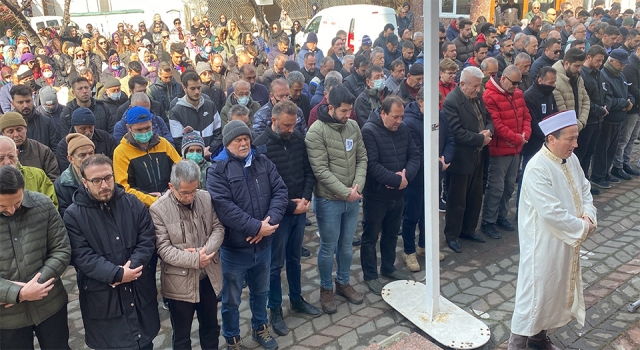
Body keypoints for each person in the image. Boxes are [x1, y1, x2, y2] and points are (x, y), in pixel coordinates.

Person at [508, 110, 597, 350]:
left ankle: (538, 340)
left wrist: (589, 214)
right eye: (570, 139)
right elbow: (551, 212)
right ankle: (516, 345)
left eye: (576, 138)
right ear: (551, 139)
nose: (575, 144)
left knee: (554, 290)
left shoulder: (571, 159)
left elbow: (585, 188)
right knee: (534, 294)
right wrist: (583, 227)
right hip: (543, 245)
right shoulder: (537, 168)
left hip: (566, 242)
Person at [63, 154, 161, 349]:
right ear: (84, 182)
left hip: (138, 290)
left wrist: (130, 269)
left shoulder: (133, 203)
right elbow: (81, 255)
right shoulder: (73, 215)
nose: (104, 184)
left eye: (108, 177)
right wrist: (115, 274)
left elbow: (147, 239)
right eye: (96, 180)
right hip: (104, 300)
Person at [207, 120, 288, 350]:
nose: (244, 143)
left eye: (246, 139)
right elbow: (224, 207)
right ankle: (232, 338)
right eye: (238, 140)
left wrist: (267, 224)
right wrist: (255, 227)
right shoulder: (217, 170)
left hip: (263, 246)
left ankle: (260, 328)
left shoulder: (262, 161)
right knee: (231, 300)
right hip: (235, 250)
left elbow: (280, 191)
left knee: (260, 292)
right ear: (227, 144)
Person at [253, 100, 320, 336]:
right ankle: (275, 309)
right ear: (273, 121)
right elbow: (262, 190)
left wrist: (306, 197)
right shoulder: (260, 146)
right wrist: (290, 208)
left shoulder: (298, 140)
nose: (291, 130)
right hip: (277, 218)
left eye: (293, 125)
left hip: (299, 211)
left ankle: (297, 299)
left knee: (294, 259)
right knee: (275, 265)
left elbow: (308, 171)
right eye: (286, 125)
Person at [305, 85, 367, 313]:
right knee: (328, 246)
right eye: (343, 111)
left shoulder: (352, 126)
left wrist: (356, 187)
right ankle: (325, 288)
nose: (347, 115)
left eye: (349, 110)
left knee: (347, 245)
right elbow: (320, 170)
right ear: (330, 107)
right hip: (328, 200)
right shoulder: (316, 131)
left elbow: (362, 157)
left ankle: (343, 282)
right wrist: (345, 192)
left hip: (352, 197)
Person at [150, 160, 225, 350]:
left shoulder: (205, 198)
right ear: (171, 186)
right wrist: (194, 259)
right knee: (182, 336)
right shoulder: (158, 209)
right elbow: (163, 249)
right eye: (184, 192)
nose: (190, 197)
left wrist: (204, 251)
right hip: (178, 283)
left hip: (207, 276)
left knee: (211, 327)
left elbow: (218, 228)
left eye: (194, 190)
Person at [0, 165, 71, 350]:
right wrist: (17, 293)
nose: (11, 210)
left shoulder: (42, 204)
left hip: (50, 304)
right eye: (2, 206)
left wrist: (37, 284)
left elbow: (61, 249)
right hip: (8, 319)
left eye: (16, 203)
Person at [360, 96, 420, 295]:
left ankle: (388, 267)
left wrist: (406, 176)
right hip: (376, 195)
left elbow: (414, 155)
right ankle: (370, 275)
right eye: (395, 117)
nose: (399, 121)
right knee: (371, 236)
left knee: (392, 233)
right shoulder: (369, 131)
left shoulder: (403, 129)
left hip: (399, 193)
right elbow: (372, 165)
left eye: (401, 116)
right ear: (383, 113)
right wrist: (396, 180)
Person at [442, 67, 494, 253]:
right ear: (462, 84)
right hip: (460, 159)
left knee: (474, 196)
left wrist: (489, 131)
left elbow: (488, 118)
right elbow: (456, 132)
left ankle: (469, 230)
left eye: (479, 86)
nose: (478, 90)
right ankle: (452, 235)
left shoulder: (477, 97)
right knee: (457, 200)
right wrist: (480, 138)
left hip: (478, 155)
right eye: (474, 86)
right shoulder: (452, 102)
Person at [480, 66, 532, 239]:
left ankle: (501, 216)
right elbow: (497, 125)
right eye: (514, 83)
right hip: (499, 150)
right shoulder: (489, 96)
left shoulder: (518, 94)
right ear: (503, 79)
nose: (516, 87)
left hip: (515, 148)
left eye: (518, 83)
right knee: (496, 187)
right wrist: (518, 138)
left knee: (509, 186)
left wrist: (525, 134)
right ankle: (489, 221)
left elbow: (526, 116)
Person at [113, 106, 182, 207]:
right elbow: (123, 188)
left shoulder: (164, 144)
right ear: (128, 128)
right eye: (139, 130)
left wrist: (167, 194)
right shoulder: (121, 152)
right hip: (140, 208)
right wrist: (153, 200)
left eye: (147, 128)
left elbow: (181, 172)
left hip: (171, 201)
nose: (144, 132)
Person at [591, 49, 635, 187]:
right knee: (602, 150)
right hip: (607, 120)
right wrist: (625, 102)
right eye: (620, 64)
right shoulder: (604, 76)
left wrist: (630, 101)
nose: (623, 66)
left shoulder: (620, 75)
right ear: (612, 61)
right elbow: (608, 100)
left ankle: (605, 173)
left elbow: (628, 92)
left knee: (612, 149)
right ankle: (597, 176)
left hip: (618, 119)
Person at [575, 45, 609, 192]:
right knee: (581, 154)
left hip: (598, 120)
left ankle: (585, 182)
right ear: (589, 57)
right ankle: (579, 186)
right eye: (598, 60)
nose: (600, 63)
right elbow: (584, 99)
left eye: (602, 61)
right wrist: (599, 110)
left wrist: (605, 105)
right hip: (587, 121)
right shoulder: (582, 75)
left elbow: (605, 91)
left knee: (590, 153)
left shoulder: (599, 73)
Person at [169, 71, 222, 150]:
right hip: (191, 158)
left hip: (213, 155)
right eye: (192, 88)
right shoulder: (176, 112)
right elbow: (178, 142)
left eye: (199, 88)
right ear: (184, 88)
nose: (197, 92)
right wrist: (199, 153)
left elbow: (218, 133)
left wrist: (209, 150)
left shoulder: (211, 106)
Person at [0, 112, 60, 182]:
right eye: (10, 131)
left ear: (26, 129)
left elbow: (53, 179)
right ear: (3, 133)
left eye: (19, 130)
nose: (16, 135)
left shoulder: (42, 151)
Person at [0, 135, 58, 207]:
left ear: (16, 153)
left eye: (11, 156)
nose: (7, 162)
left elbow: (51, 206)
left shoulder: (38, 175)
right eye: (1, 158)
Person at [55, 107, 118, 171]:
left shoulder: (106, 138)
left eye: (90, 127)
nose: (88, 132)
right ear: (74, 127)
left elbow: (115, 163)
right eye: (82, 128)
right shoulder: (64, 146)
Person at [614, 44, 640, 179]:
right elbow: (633, 90)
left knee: (632, 138)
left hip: (637, 108)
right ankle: (618, 165)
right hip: (631, 109)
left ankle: (625, 162)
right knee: (624, 138)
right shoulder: (631, 66)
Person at [54, 133, 94, 217]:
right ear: (70, 159)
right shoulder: (62, 184)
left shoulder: (104, 176)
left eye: (91, 153)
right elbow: (64, 214)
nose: (88, 158)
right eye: (82, 155)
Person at [10, 84, 60, 152]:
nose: (25, 105)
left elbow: (55, 148)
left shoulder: (46, 122)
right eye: (20, 102)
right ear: (13, 103)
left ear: (32, 100)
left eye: (28, 101)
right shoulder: (7, 125)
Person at [551, 48, 589, 131]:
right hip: (564, 129)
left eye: (581, 66)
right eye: (576, 66)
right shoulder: (555, 81)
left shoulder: (578, 78)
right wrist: (577, 125)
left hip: (578, 126)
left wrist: (582, 121)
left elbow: (586, 100)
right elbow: (562, 110)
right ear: (567, 63)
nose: (579, 69)